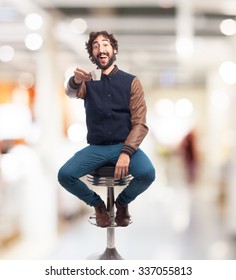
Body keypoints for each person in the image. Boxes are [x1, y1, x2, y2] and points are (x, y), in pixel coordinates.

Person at [58, 31, 155, 228]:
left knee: (148, 173)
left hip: (125, 145)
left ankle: (122, 202)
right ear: (92, 54)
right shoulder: (88, 81)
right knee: (65, 175)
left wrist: (127, 153)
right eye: (95, 46)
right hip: (97, 147)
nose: (100, 49)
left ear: (114, 49)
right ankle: (98, 205)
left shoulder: (131, 82)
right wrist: (75, 80)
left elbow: (140, 124)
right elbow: (71, 92)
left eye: (105, 44)